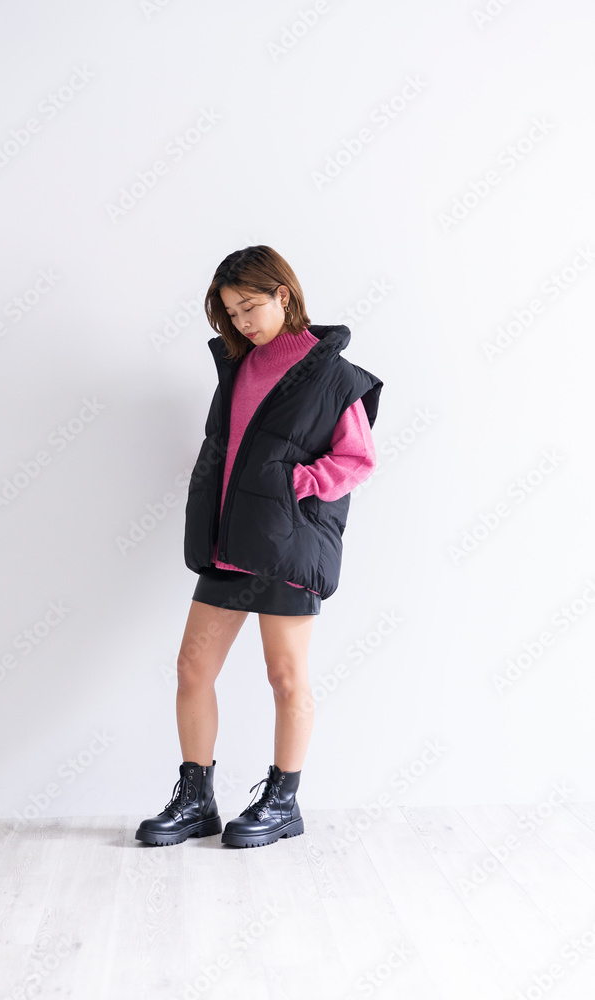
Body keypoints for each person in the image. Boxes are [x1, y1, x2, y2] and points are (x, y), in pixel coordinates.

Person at [136, 245, 383, 849]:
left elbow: (357, 459)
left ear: (283, 295)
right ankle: (196, 801)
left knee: (285, 675)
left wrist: (295, 485)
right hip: (230, 541)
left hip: (287, 543)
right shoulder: (239, 367)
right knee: (192, 668)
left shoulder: (334, 376)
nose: (242, 321)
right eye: (231, 312)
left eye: (250, 306)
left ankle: (282, 802)